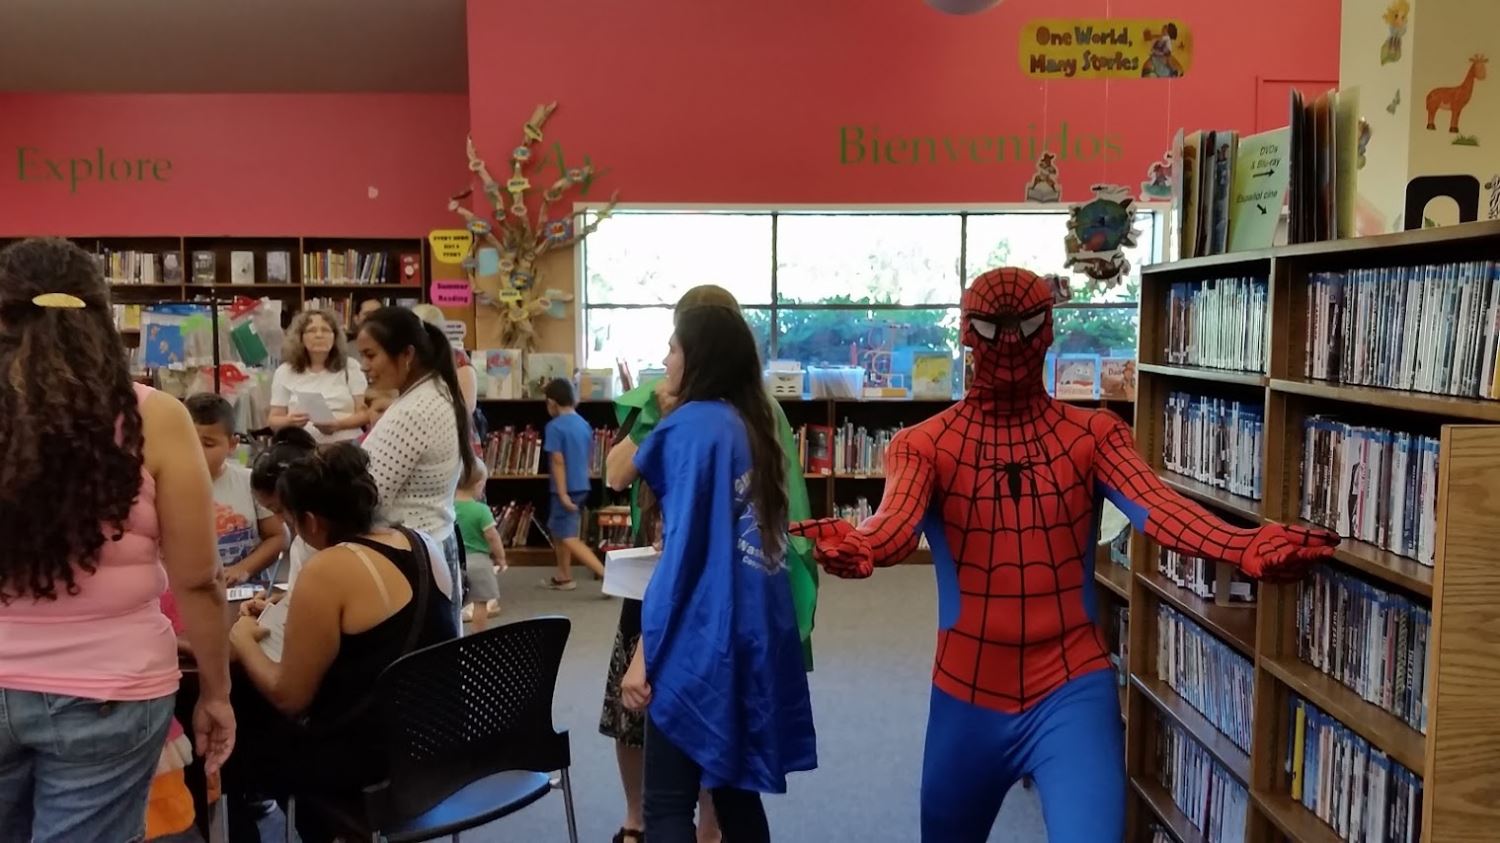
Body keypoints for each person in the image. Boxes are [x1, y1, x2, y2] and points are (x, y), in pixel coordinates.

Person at [793, 267, 1336, 842]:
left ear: (1049, 329)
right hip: (966, 690)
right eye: (990, 326)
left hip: (1072, 683)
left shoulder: (1093, 436)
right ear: (965, 333)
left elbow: (1156, 505)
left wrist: (1243, 544)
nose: (1009, 342)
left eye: (1025, 325)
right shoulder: (924, 444)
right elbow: (895, 522)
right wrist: (861, 543)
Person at [0, 237, 234, 842]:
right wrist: (216, 692)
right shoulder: (156, 417)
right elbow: (199, 579)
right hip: (112, 689)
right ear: (103, 318)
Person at [600, 283, 820, 843]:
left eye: (673, 349)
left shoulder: (690, 427)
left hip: (699, 640)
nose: (665, 360)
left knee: (668, 803)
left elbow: (684, 557)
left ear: (697, 358)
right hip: (752, 635)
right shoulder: (750, 422)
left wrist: (644, 658)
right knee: (734, 791)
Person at [223, 444, 458, 842]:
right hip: (433, 736)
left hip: (370, 755)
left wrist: (242, 639)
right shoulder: (421, 541)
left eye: (289, 518)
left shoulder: (327, 568)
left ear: (311, 521)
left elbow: (289, 696)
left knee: (243, 712)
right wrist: (291, 605)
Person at [356, 306, 477, 632]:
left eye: (371, 355)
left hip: (409, 558)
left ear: (406, 354)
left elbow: (368, 496)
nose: (365, 367)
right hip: (431, 543)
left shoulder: (413, 411)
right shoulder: (437, 392)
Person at [187, 393, 288, 588]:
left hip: (244, 591)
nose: (196, 451)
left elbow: (279, 537)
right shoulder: (165, 486)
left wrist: (243, 568)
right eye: (187, 441)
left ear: (232, 444)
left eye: (208, 444)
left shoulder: (249, 482)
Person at [237, 427, 320, 622]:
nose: (281, 520)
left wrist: (245, 642)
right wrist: (282, 601)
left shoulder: (324, 550)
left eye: (280, 510)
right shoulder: (303, 544)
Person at [540, 377, 605, 590]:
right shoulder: (583, 424)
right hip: (582, 484)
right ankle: (563, 575)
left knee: (568, 537)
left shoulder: (554, 427)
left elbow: (558, 462)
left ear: (552, 403)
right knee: (560, 532)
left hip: (565, 488)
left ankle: (605, 574)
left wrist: (562, 493)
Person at [268, 308, 369, 444]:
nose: (319, 335)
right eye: (311, 330)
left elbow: (365, 414)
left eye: (326, 330)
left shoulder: (351, 366)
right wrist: (289, 421)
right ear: (300, 337)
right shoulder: (285, 371)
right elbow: (273, 420)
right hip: (300, 447)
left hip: (346, 446)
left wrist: (338, 424)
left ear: (335, 337)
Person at [454, 465, 507, 631]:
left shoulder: (449, 508)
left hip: (455, 559)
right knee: (481, 602)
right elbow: (492, 536)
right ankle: (478, 633)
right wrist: (500, 557)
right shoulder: (481, 510)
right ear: (478, 485)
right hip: (479, 561)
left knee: (454, 600)